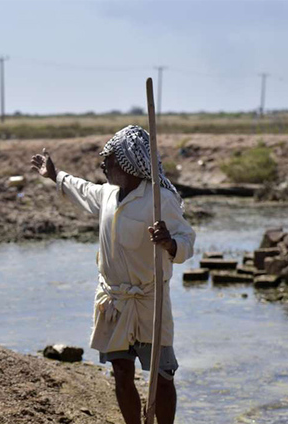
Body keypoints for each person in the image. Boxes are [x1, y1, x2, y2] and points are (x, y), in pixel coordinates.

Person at [30, 125, 196, 424]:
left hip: (149, 300)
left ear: (130, 164)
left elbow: (188, 240)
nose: (103, 166)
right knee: (121, 370)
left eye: (110, 161)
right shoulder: (108, 194)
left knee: (162, 375)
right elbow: (82, 189)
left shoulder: (159, 200)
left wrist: (169, 242)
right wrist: (55, 175)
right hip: (114, 298)